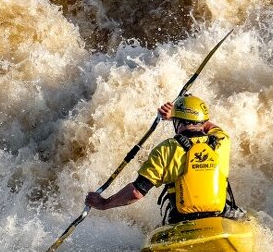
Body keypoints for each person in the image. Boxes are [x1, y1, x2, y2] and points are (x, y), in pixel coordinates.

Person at [85, 94, 243, 223]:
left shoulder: (166, 148)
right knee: (245, 217)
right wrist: (179, 113)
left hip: (182, 222)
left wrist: (104, 203)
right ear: (202, 121)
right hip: (219, 217)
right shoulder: (221, 140)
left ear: (177, 122)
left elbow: (136, 192)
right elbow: (212, 127)